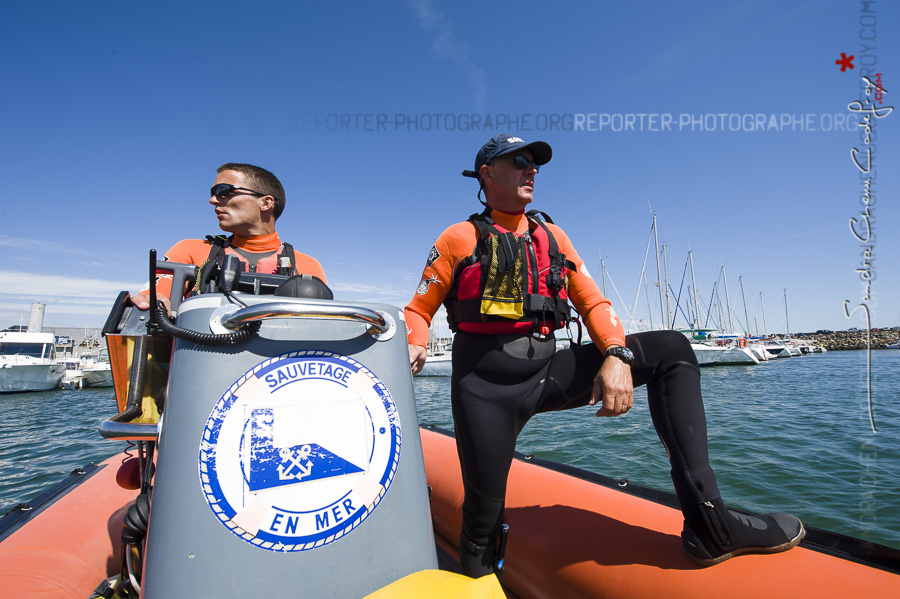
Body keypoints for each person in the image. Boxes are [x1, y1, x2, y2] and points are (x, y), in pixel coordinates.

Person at [404, 133, 805, 577]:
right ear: (487, 173)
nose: (531, 169)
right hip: (483, 388)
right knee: (481, 521)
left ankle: (711, 524)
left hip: (545, 371)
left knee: (672, 348)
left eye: (534, 163)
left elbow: (593, 303)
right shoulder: (459, 237)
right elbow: (419, 308)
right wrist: (416, 341)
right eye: (519, 161)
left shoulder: (551, 237)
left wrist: (617, 354)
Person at [134, 163, 326, 309]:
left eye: (224, 191)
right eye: (213, 193)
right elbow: (155, 298)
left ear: (266, 203)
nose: (212, 200)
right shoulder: (191, 251)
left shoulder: (307, 266)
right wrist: (150, 300)